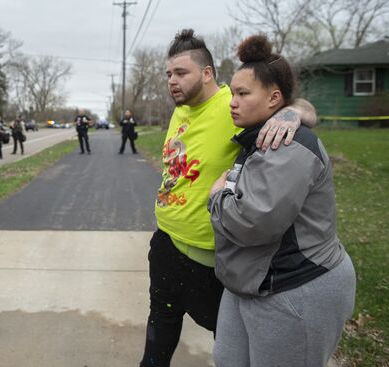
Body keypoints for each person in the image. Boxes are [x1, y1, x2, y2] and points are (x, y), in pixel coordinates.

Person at [139, 29, 318, 367]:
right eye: (168, 74)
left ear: (207, 73)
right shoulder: (181, 109)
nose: (171, 81)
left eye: (180, 73)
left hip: (211, 259)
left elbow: (300, 106)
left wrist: (292, 114)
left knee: (231, 345)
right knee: (159, 329)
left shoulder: (231, 105)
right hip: (165, 245)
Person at [207, 35, 356, 367]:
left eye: (243, 94)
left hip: (296, 284)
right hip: (252, 281)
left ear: (274, 98)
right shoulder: (258, 136)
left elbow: (251, 223)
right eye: (232, 93)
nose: (233, 102)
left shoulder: (287, 144)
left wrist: (217, 196)